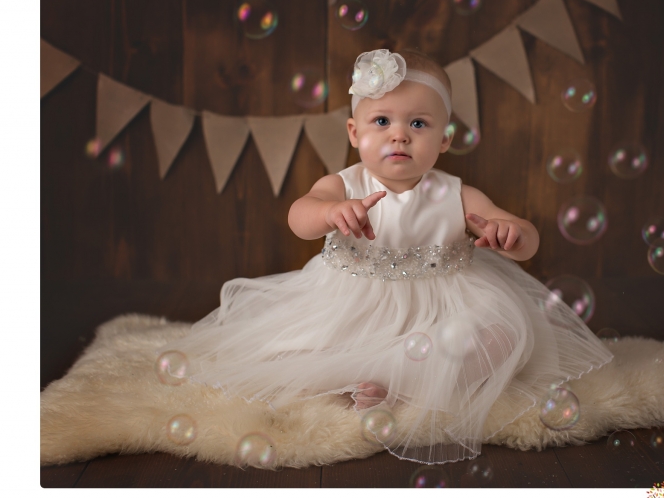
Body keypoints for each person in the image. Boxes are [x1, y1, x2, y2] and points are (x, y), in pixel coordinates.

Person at [160, 48, 614, 465]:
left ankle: (396, 382)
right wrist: (330, 212)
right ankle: (377, 374)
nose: (399, 135)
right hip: (353, 302)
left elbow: (525, 237)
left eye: (418, 124)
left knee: (502, 338)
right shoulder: (344, 184)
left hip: (445, 306)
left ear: (443, 140)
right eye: (382, 122)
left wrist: (510, 234)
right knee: (306, 350)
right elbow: (300, 217)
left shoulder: (456, 193)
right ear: (355, 134)